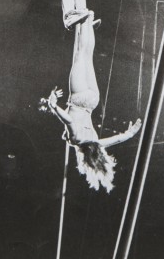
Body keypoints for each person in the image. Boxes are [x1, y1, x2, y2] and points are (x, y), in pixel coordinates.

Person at [40, 15, 142, 192]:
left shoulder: (96, 143)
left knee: (88, 57)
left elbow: (119, 138)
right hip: (79, 100)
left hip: (92, 101)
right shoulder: (77, 140)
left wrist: (131, 133)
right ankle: (87, 19)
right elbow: (69, 121)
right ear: (83, 159)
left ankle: (88, 26)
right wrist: (54, 106)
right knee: (80, 54)